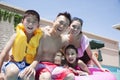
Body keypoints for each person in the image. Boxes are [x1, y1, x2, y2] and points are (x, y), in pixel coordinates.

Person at [0, 10, 43, 80]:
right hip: (13, 63)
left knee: (30, 77)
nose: (31, 24)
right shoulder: (16, 36)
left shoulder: (38, 39)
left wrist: (32, 67)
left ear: (38, 25)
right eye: (28, 20)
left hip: (28, 66)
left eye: (34, 21)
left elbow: (38, 57)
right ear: (22, 21)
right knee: (12, 72)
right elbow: (4, 52)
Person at [35, 12, 75, 80]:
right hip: (38, 64)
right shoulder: (42, 32)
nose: (62, 26)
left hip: (52, 66)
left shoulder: (63, 40)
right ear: (54, 21)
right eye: (60, 22)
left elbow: (68, 54)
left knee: (70, 76)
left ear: (67, 29)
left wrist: (67, 65)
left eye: (65, 25)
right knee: (46, 77)